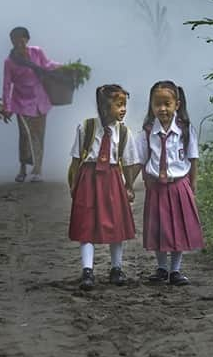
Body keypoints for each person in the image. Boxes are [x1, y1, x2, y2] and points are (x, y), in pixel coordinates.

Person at [133, 80, 204, 286]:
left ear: (177, 104)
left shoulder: (186, 130)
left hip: (179, 184)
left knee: (178, 227)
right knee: (159, 227)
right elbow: (141, 160)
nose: (162, 108)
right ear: (151, 105)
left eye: (167, 103)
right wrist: (130, 183)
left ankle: (175, 270)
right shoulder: (147, 132)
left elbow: (193, 159)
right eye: (157, 104)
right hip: (156, 187)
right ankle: (162, 268)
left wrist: (193, 186)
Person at [68, 84, 139, 290]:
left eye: (124, 104)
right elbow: (75, 160)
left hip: (112, 180)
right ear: (104, 107)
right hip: (88, 180)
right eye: (119, 105)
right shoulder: (87, 127)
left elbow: (127, 163)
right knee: (86, 225)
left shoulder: (124, 133)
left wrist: (129, 186)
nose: (123, 109)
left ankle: (116, 268)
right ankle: (87, 270)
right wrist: (73, 184)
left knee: (116, 225)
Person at [2, 26, 61, 182]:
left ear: (27, 39)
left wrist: (65, 67)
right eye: (15, 38)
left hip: (40, 100)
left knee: (39, 135)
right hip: (20, 101)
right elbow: (7, 84)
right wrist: (6, 107)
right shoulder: (9, 62)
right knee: (24, 136)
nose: (19, 41)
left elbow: (47, 65)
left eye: (22, 37)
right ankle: (22, 169)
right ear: (11, 41)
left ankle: (37, 170)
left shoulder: (36, 52)